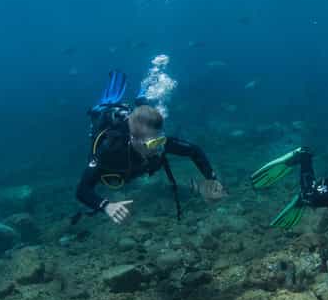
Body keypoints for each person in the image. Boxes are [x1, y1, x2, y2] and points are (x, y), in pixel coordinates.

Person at [74, 70, 223, 225]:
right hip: (111, 133)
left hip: (135, 135)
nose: (158, 149)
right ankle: (106, 106)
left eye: (160, 141)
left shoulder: (159, 142)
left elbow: (194, 150)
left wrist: (212, 179)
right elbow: (82, 190)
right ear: (133, 140)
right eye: (153, 144)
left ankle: (142, 100)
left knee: (147, 115)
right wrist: (105, 206)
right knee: (104, 108)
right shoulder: (110, 151)